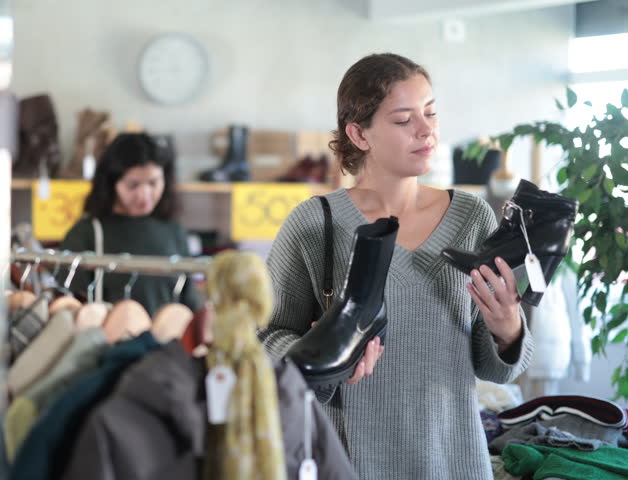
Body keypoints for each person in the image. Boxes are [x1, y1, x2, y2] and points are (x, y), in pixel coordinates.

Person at [258, 53, 533, 480]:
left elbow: (495, 368)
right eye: (404, 119)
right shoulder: (315, 224)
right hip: (348, 463)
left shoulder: (472, 217)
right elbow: (265, 338)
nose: (426, 130)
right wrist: (321, 357)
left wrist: (509, 328)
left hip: (455, 462)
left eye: (431, 113)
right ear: (359, 134)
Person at [61, 132, 202, 315]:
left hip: (167, 334)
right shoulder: (85, 234)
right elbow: (71, 309)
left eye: (153, 183)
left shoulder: (174, 231)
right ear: (112, 182)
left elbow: (190, 304)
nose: (144, 195)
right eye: (133, 185)